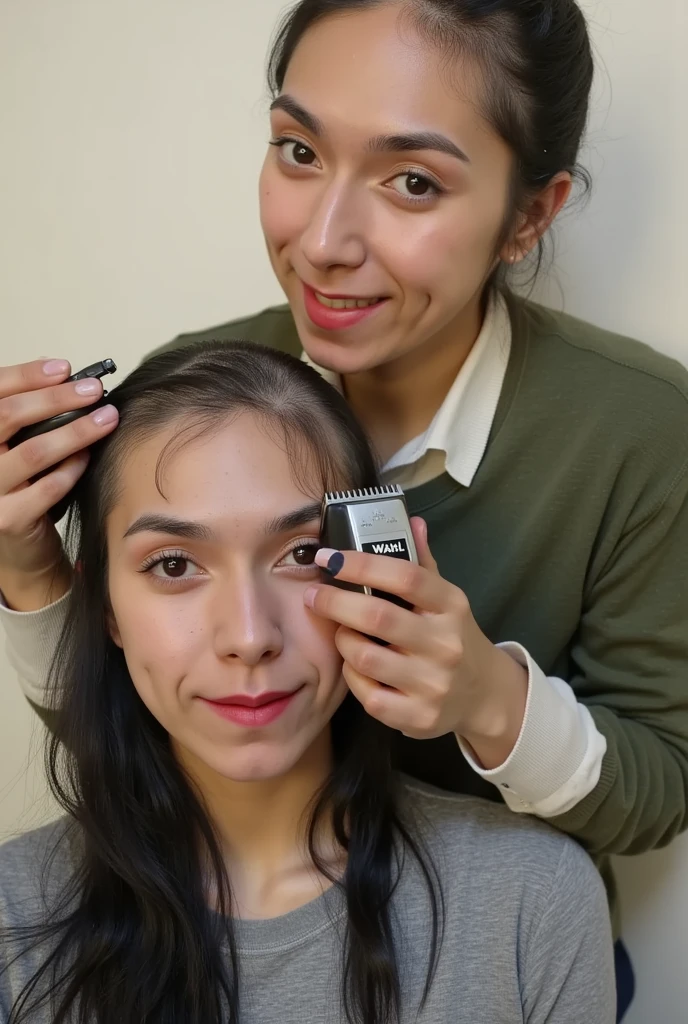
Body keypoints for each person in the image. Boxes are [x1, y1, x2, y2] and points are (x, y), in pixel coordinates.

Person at [0, 1, 686, 1019]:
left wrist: (486, 698)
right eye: (297, 150)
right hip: (192, 929)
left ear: (528, 215)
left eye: (412, 181)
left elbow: (660, 785)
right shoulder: (197, 388)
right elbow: (138, 693)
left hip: (484, 954)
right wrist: (29, 569)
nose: (322, 242)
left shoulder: (633, 426)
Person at [0, 341, 615, 1023]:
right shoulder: (11, 911)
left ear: (381, 571)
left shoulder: (534, 903)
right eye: (174, 565)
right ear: (105, 609)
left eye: (300, 554)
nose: (249, 636)